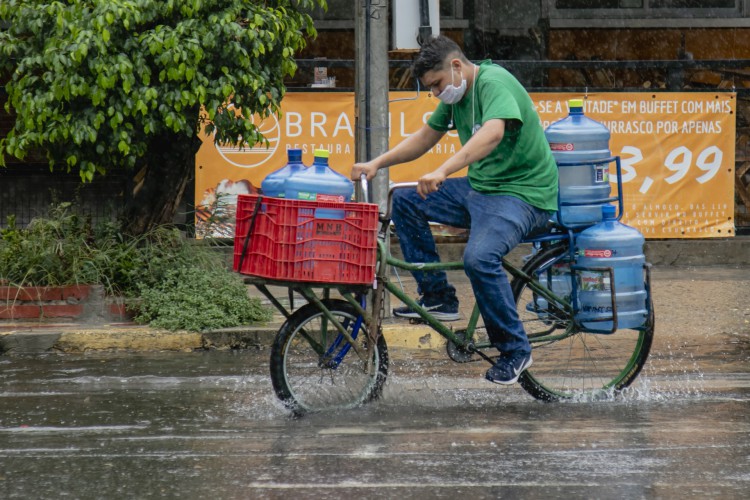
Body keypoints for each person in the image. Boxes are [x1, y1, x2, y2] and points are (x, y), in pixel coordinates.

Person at [351, 36, 558, 385]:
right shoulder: (457, 95)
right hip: (481, 190)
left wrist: (444, 170)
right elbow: (425, 137)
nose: (436, 93)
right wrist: (377, 164)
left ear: (457, 66)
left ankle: (515, 350)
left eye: (437, 84)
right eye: (430, 88)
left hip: (524, 195)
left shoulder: (494, 83)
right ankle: (439, 298)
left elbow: (493, 133)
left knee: (479, 259)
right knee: (404, 200)